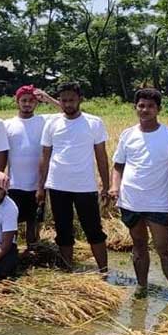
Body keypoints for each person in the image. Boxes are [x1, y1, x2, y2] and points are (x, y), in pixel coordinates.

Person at [109, 88, 168, 302]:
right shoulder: (128, 134)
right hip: (131, 201)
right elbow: (118, 166)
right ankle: (142, 286)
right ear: (136, 108)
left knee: (164, 250)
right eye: (141, 106)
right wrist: (115, 187)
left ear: (158, 109)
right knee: (139, 246)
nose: (145, 110)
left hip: (158, 204)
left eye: (150, 106)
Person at [37, 82, 110, 272]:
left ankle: (104, 271)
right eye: (64, 100)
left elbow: (101, 156)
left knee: (94, 230)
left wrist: (106, 185)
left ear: (80, 100)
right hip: (58, 184)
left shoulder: (94, 122)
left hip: (85, 186)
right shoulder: (51, 123)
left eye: (71, 100)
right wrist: (41, 187)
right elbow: (45, 156)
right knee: (63, 230)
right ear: (59, 101)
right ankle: (68, 270)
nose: (67, 104)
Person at [3, 85, 60, 245]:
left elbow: (67, 110)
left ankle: (32, 251)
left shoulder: (45, 121)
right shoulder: (7, 124)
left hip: (37, 184)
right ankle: (9, 251)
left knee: (34, 222)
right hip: (14, 183)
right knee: (11, 221)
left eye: (31, 101)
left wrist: (47, 98)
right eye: (24, 100)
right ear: (17, 102)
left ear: (36, 103)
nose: (27, 104)